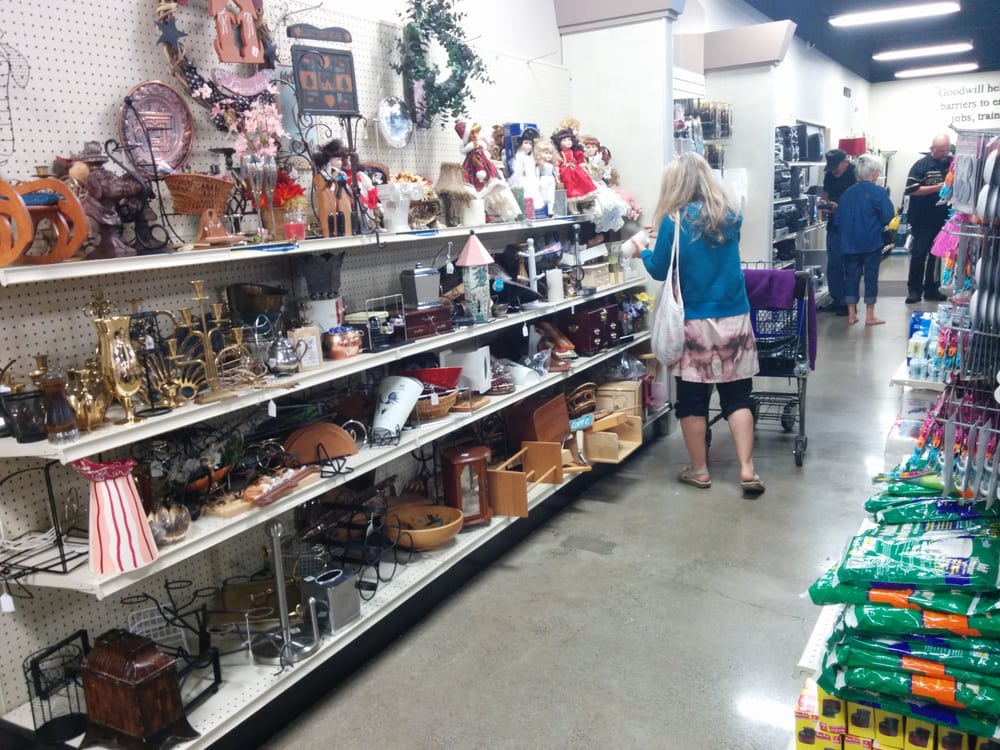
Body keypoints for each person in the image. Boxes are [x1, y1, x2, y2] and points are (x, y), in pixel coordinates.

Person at [628, 152, 763, 495]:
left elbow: (659, 269)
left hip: (694, 321)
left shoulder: (674, 221)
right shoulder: (731, 215)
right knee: (738, 395)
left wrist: (642, 250)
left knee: (692, 399)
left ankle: (700, 470)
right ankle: (747, 469)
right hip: (734, 316)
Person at [835, 154, 894, 326]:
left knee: (851, 276)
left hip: (849, 243)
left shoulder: (847, 193)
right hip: (871, 241)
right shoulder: (878, 192)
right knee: (870, 277)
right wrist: (877, 225)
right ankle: (870, 315)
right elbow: (888, 215)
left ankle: (851, 314)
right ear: (873, 173)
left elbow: (838, 219)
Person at [904, 133, 952, 303]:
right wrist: (936, 188)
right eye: (941, 150)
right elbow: (911, 190)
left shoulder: (951, 164)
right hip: (922, 220)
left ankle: (932, 289)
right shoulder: (921, 165)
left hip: (943, 219)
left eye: (947, 150)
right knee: (919, 254)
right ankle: (914, 291)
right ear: (932, 148)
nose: (944, 153)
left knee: (936, 256)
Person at [820, 149, 856, 316]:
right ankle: (837, 299)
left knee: (849, 264)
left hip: (851, 225)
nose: (834, 170)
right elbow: (826, 194)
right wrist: (824, 202)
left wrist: (840, 208)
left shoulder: (855, 175)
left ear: (845, 162)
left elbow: (859, 201)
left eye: (837, 166)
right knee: (834, 263)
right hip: (834, 225)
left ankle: (849, 302)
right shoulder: (829, 175)